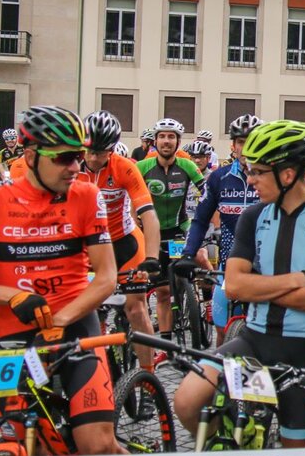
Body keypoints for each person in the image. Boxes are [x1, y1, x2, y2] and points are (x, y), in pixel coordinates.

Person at [174, 120, 305, 456]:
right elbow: (234, 285)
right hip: (252, 340)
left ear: (287, 174)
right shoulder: (254, 217)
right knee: (186, 401)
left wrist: (263, 285)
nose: (250, 180)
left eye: (257, 171)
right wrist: (294, 281)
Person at [0, 106, 150, 456]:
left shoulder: (87, 195)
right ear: (30, 156)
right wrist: (10, 293)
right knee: (25, 442)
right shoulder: (1, 200)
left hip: (74, 322)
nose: (76, 166)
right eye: (64, 157)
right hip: (12, 336)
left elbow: (104, 278)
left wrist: (62, 319)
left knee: (96, 444)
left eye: (79, 157)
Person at [79, 110, 162, 372]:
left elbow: (148, 215)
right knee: (87, 311)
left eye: (101, 152)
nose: (93, 158)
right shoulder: (71, 167)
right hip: (88, 248)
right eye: (89, 150)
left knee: (136, 309)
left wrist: (151, 258)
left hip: (125, 243)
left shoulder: (125, 167)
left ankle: (148, 378)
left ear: (112, 149)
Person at [175, 115, 263, 345]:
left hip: (265, 266)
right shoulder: (219, 178)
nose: (246, 147)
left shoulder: (270, 178)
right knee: (222, 330)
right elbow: (200, 220)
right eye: (241, 142)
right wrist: (188, 254)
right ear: (233, 146)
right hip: (229, 263)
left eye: (252, 140)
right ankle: (223, 378)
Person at [135, 118, 206, 365]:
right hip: (151, 233)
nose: (167, 141)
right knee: (163, 292)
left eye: (171, 137)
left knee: (197, 259)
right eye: (162, 136)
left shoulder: (187, 166)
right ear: (155, 141)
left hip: (178, 227)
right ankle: (166, 342)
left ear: (178, 141)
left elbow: (206, 192)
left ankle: (201, 299)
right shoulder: (143, 167)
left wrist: (204, 223)